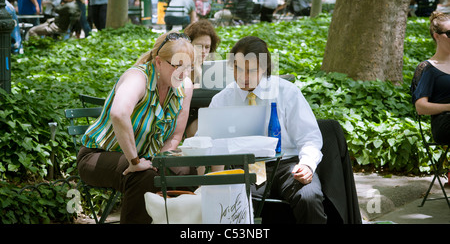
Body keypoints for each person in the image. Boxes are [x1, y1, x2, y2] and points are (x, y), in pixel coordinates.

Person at [77, 31, 195, 224]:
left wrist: (159, 164)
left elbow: (175, 136)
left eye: (189, 67)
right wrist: (134, 160)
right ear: (158, 62)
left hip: (148, 159)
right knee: (143, 177)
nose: (184, 72)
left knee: (186, 171)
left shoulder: (185, 86)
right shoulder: (137, 77)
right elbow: (119, 113)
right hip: (97, 155)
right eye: (177, 66)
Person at [207, 36, 326, 224]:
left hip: (287, 164)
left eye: (251, 70)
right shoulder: (222, 99)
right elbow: (206, 141)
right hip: (244, 167)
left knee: (309, 197)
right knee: (233, 203)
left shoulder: (287, 92)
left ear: (265, 68)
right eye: (237, 69)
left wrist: (307, 164)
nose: (243, 77)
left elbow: (309, 137)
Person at [411, 11, 450, 145]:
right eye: (449, 34)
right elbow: (421, 107)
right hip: (445, 122)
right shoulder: (428, 68)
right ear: (437, 36)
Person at [183, 20, 221, 138]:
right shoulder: (179, 66)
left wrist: (199, 68)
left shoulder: (213, 68)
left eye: (207, 47)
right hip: (184, 117)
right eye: (199, 46)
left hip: (207, 114)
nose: (203, 51)